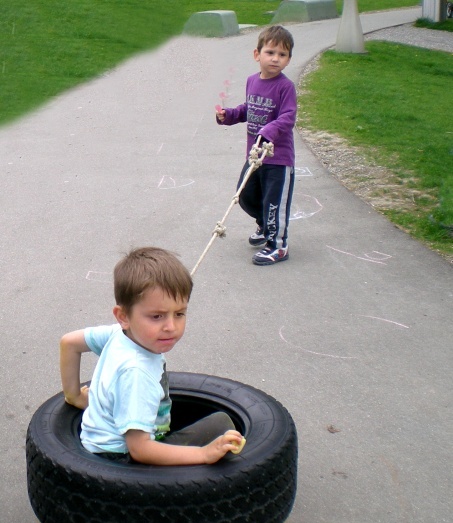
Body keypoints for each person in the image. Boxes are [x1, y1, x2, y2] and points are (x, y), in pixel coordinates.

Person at [60, 246, 244, 465]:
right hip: (122, 460)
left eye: (179, 313)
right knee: (221, 425)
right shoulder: (138, 374)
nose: (171, 326)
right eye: (157, 316)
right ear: (123, 316)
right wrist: (204, 454)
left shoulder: (116, 333)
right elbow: (139, 449)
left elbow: (69, 343)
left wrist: (74, 396)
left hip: (102, 440)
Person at [216, 25, 297, 266]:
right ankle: (264, 226)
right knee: (245, 195)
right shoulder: (253, 81)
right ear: (257, 55)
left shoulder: (285, 87)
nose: (275, 59)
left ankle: (278, 246)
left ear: (288, 59)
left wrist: (268, 131)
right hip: (255, 158)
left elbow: (288, 117)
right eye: (270, 52)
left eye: (282, 55)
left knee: (274, 204)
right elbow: (248, 109)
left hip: (278, 159)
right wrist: (228, 115)